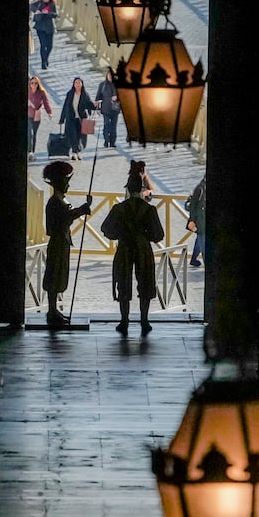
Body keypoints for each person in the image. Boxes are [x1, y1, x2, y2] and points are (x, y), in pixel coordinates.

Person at [100, 160, 165, 334]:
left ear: (128, 189)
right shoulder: (149, 210)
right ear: (141, 189)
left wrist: (121, 234)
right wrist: (145, 236)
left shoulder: (119, 208)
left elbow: (105, 229)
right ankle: (144, 320)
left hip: (125, 248)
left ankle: (124, 321)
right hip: (143, 249)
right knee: (145, 284)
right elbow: (159, 235)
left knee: (123, 283)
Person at [40, 160, 91, 325]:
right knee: (54, 277)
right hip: (57, 242)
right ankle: (52, 311)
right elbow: (65, 219)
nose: (68, 184)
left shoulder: (60, 200)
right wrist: (82, 209)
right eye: (66, 181)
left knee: (58, 276)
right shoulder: (54, 202)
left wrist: (81, 209)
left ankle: (54, 311)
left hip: (62, 242)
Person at [58, 75, 96, 160]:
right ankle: (74, 152)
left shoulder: (85, 95)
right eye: (76, 83)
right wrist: (62, 119)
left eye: (79, 83)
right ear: (73, 84)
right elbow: (65, 106)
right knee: (73, 135)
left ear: (82, 84)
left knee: (79, 136)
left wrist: (96, 106)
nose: (78, 84)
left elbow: (90, 104)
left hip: (81, 119)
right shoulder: (70, 94)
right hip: (71, 118)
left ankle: (78, 151)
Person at [27, 75, 53, 161]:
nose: (33, 85)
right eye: (32, 83)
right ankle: (29, 151)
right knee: (29, 133)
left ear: (38, 84)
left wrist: (49, 112)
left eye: (35, 83)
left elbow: (46, 102)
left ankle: (32, 153)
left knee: (34, 134)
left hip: (36, 116)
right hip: (28, 115)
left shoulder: (41, 92)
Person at [31, 0, 58, 70]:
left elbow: (55, 14)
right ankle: (43, 63)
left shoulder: (52, 4)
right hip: (40, 27)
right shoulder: (39, 3)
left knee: (49, 46)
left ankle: (46, 58)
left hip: (49, 27)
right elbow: (30, 6)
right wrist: (37, 11)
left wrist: (47, 13)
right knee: (43, 45)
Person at [95, 66, 122, 149]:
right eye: (109, 75)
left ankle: (112, 142)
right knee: (106, 125)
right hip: (105, 108)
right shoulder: (102, 85)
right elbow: (98, 97)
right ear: (107, 75)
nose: (110, 76)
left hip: (115, 108)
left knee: (113, 126)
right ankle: (106, 140)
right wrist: (98, 108)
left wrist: (117, 97)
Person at [187, 174, 207, 267]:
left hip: (201, 221)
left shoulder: (201, 188)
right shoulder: (200, 189)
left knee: (200, 239)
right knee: (203, 241)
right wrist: (192, 220)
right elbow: (193, 206)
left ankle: (194, 259)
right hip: (200, 221)